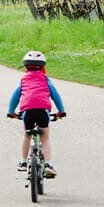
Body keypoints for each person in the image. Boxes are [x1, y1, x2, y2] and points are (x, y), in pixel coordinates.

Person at [7, 50, 65, 178]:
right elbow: (56, 96)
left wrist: (11, 112)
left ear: (26, 67)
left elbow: (14, 97)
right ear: (43, 67)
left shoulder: (23, 80)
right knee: (45, 138)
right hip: (42, 112)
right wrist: (61, 111)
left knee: (27, 135)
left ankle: (23, 162)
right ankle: (48, 165)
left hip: (27, 112)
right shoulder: (45, 79)